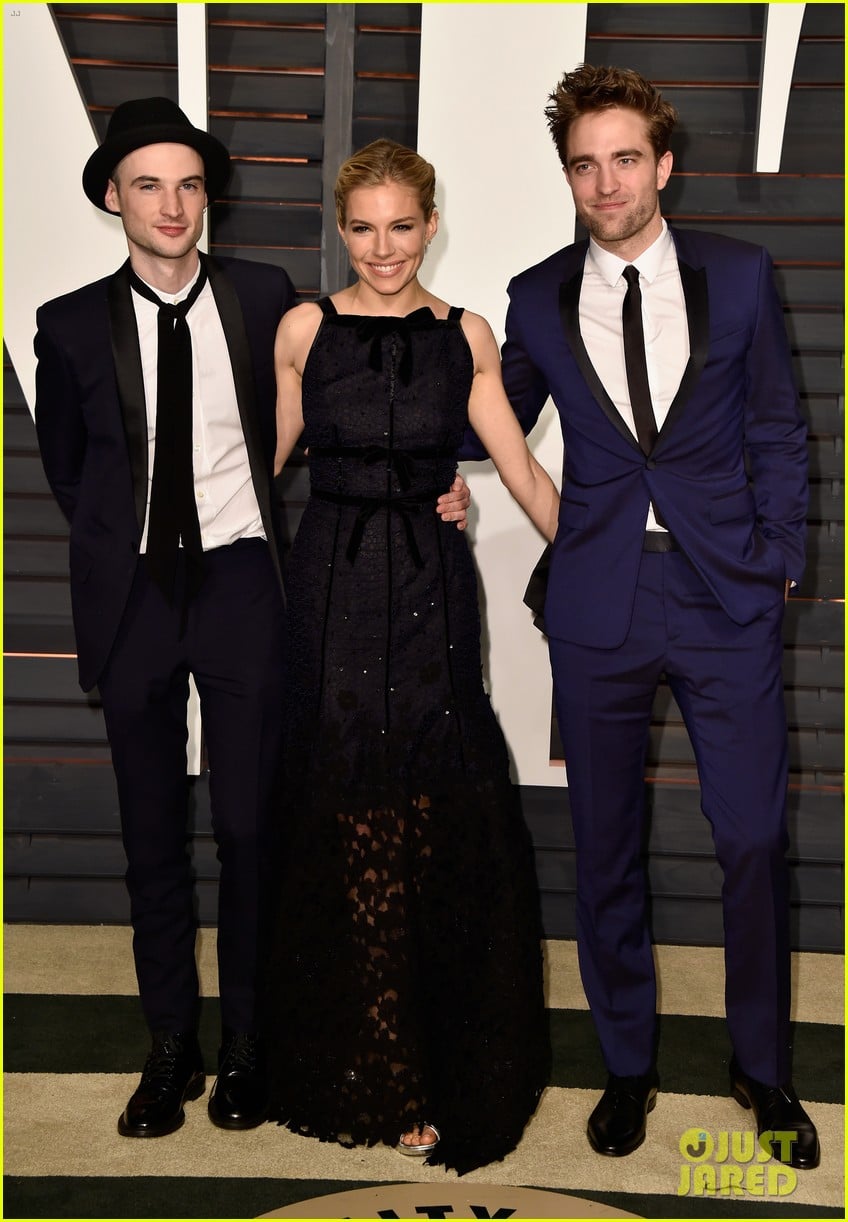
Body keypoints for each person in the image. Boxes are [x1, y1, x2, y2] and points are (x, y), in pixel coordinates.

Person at [33, 98, 471, 1143]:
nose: (171, 204)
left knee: (248, 827)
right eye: (147, 184)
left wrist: (439, 483)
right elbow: (70, 470)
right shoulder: (66, 324)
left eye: (187, 184)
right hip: (135, 597)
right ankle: (169, 1048)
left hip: (241, 585)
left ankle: (246, 1045)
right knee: (151, 834)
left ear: (208, 197)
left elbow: (358, 401)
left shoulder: (268, 298)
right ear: (113, 198)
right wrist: (126, 547)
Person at [481, 64, 819, 1168]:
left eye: (624, 159)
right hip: (600, 602)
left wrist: (778, 559)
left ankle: (760, 1065)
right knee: (605, 844)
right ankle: (626, 1064)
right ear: (568, 175)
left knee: (752, 838)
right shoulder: (535, 295)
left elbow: (777, 426)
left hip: (724, 595)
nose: (605, 183)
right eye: (585, 164)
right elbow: (492, 416)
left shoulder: (739, 272)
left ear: (662, 165)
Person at [262, 139, 558, 1175]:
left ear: (431, 224)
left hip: (431, 593)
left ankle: (432, 1050)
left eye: (401, 226)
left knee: (432, 812)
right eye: (362, 228)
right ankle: (379, 1058)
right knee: (348, 809)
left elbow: (523, 471)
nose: (382, 249)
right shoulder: (303, 329)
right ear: (339, 229)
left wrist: (604, 567)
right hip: (331, 595)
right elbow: (259, 465)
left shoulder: (465, 334)